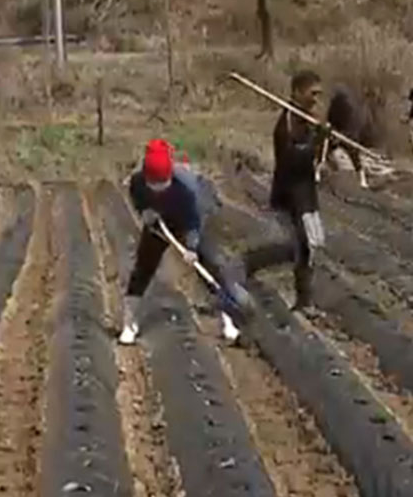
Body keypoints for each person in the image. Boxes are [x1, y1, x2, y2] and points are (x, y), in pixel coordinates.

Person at [118, 139, 256, 346]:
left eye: (162, 185)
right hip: (159, 224)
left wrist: (191, 247)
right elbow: (137, 200)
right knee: (144, 267)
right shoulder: (137, 182)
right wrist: (145, 213)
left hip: (190, 222)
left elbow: (194, 219)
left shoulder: (186, 187)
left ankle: (228, 321)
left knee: (211, 265)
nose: (157, 189)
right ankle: (129, 323)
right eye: (153, 185)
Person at [244, 69, 327, 316]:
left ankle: (305, 301)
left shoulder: (307, 119)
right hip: (291, 194)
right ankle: (248, 265)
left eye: (319, 94)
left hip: (307, 194)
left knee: (309, 246)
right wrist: (315, 142)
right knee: (294, 246)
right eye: (312, 93)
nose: (316, 99)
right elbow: (292, 159)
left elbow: (316, 159)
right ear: (297, 92)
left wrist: (323, 139)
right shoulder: (286, 123)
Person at [321, 87, 370, 189]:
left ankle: (362, 180)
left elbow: (352, 124)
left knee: (354, 155)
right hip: (336, 132)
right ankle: (319, 171)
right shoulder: (335, 105)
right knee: (325, 150)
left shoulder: (350, 109)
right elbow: (330, 119)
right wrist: (331, 129)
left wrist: (345, 135)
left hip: (348, 134)